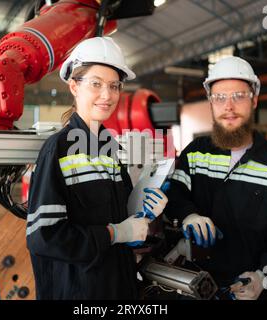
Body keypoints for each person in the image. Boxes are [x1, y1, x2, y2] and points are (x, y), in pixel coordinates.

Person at [26, 37, 168, 300]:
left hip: (119, 288)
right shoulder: (57, 150)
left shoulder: (109, 149)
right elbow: (44, 237)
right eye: (96, 84)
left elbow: (121, 218)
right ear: (74, 86)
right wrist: (115, 234)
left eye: (114, 86)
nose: (107, 95)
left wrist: (145, 213)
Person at [164, 56, 267, 300]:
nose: (228, 106)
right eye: (220, 97)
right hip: (196, 287)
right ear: (211, 102)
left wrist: (265, 276)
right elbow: (175, 193)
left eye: (239, 96)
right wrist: (188, 214)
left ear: (254, 100)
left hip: (253, 291)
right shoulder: (196, 153)